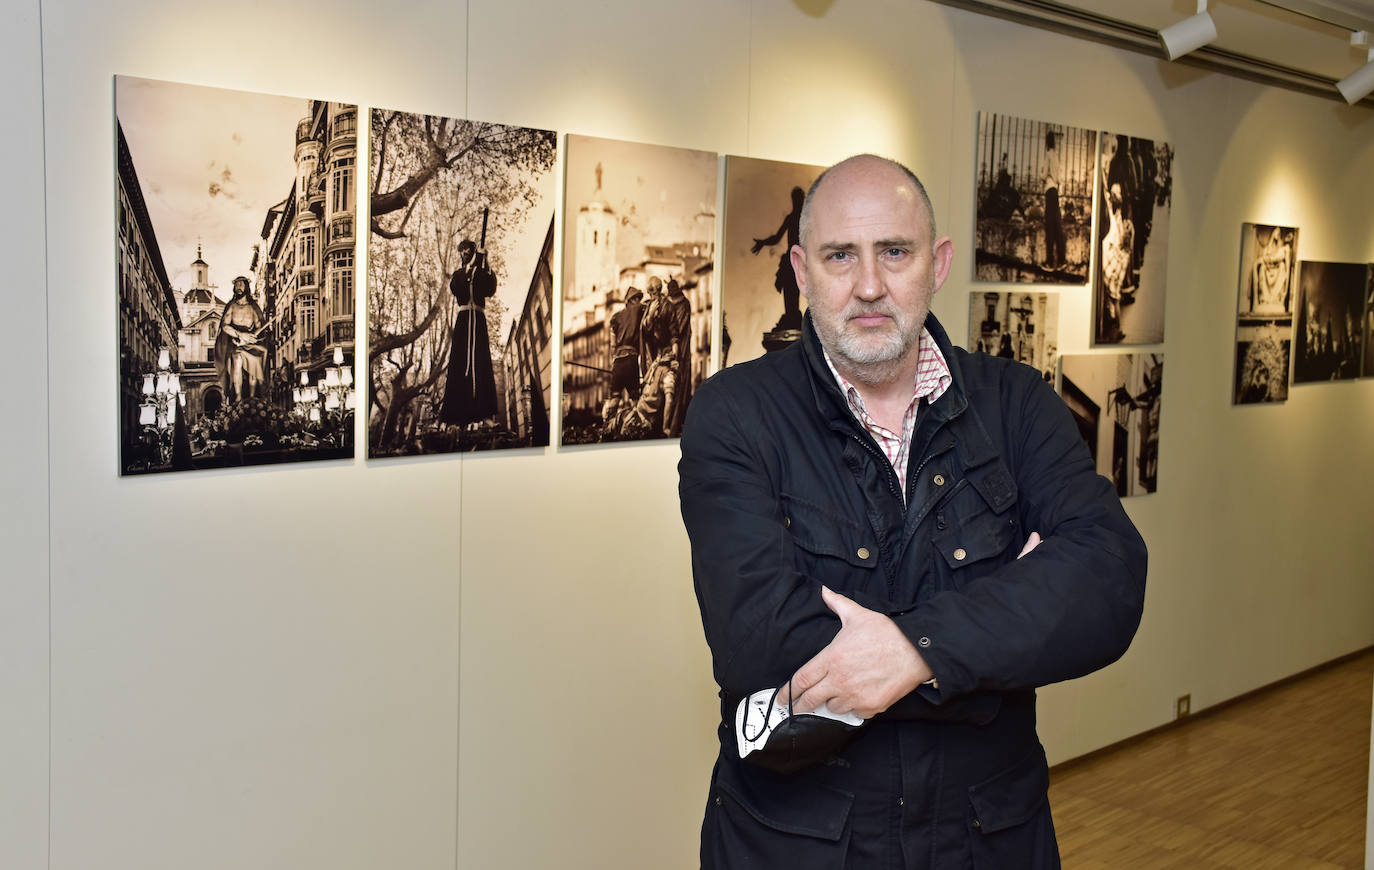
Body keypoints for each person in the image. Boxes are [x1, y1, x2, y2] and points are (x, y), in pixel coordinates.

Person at [678, 154, 1146, 869]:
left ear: (939, 262)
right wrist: (992, 644)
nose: (869, 285)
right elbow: (760, 641)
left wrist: (909, 651)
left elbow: (1108, 582)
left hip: (986, 843)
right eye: (841, 256)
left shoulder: (1018, 406)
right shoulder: (735, 415)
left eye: (895, 252)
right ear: (802, 272)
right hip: (797, 848)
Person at [440, 239, 499, 427]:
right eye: (462, 250)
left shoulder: (482, 272)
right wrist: (471, 271)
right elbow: (457, 288)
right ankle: (455, 417)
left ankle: (486, 413)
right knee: (459, 362)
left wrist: (485, 262)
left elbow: (489, 289)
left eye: (468, 250)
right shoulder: (458, 275)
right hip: (464, 319)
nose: (464, 253)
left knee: (481, 361)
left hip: (479, 320)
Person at [215, 276, 267, 404]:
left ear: (246, 287)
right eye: (237, 285)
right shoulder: (232, 306)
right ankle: (238, 396)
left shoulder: (253, 307)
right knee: (237, 359)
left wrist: (253, 337)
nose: (238, 287)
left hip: (251, 344)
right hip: (236, 344)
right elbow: (225, 326)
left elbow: (259, 326)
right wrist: (240, 335)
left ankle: (253, 396)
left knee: (256, 359)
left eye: (241, 285)